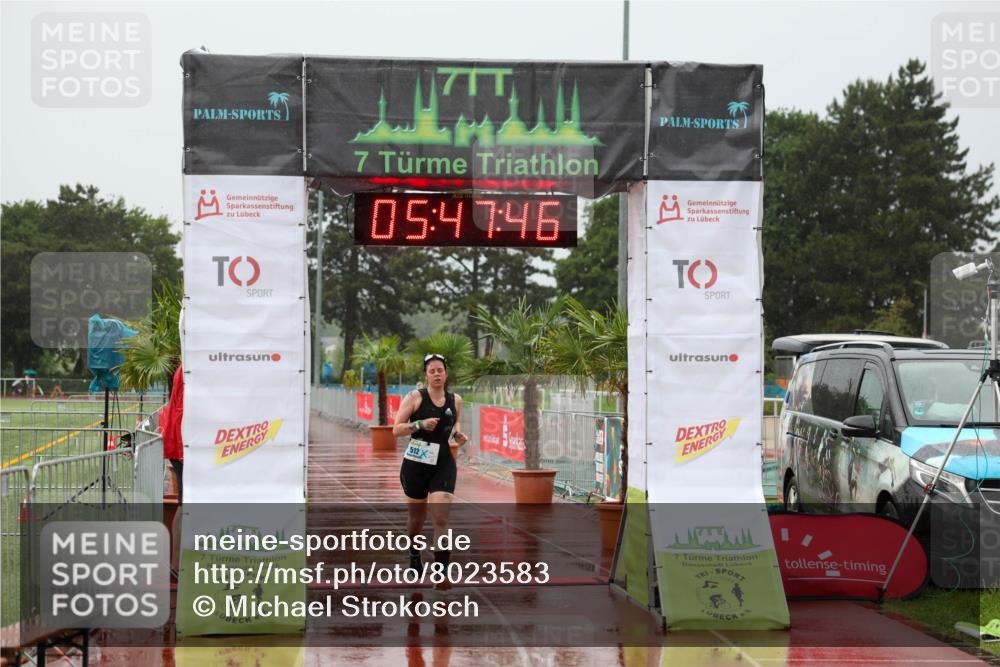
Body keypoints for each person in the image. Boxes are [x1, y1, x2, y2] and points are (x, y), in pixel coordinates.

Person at [393, 354, 469, 587]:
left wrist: (457, 434)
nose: (437, 374)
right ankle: (414, 553)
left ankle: (441, 573)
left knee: (441, 518)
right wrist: (419, 424)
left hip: (442, 462)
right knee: (416, 517)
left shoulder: (455, 399)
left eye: (440, 370)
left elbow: (455, 422)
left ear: (446, 373)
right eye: (432, 371)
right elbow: (396, 429)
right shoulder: (415, 398)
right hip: (416, 463)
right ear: (426, 375)